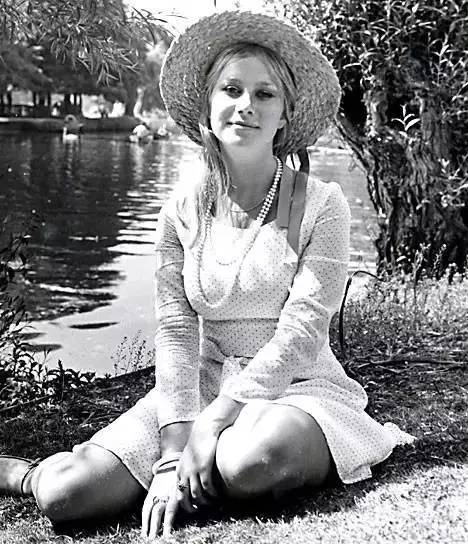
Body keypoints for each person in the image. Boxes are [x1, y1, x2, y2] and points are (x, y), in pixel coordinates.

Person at [0, 11, 414, 540]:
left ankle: (216, 468)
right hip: (205, 381)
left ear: (285, 115)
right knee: (66, 495)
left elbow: (304, 331)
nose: (246, 105)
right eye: (232, 89)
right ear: (208, 105)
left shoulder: (322, 204)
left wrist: (217, 419)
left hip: (299, 388)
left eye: (265, 94)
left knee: (251, 460)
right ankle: (28, 474)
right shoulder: (179, 212)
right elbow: (175, 332)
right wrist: (175, 450)